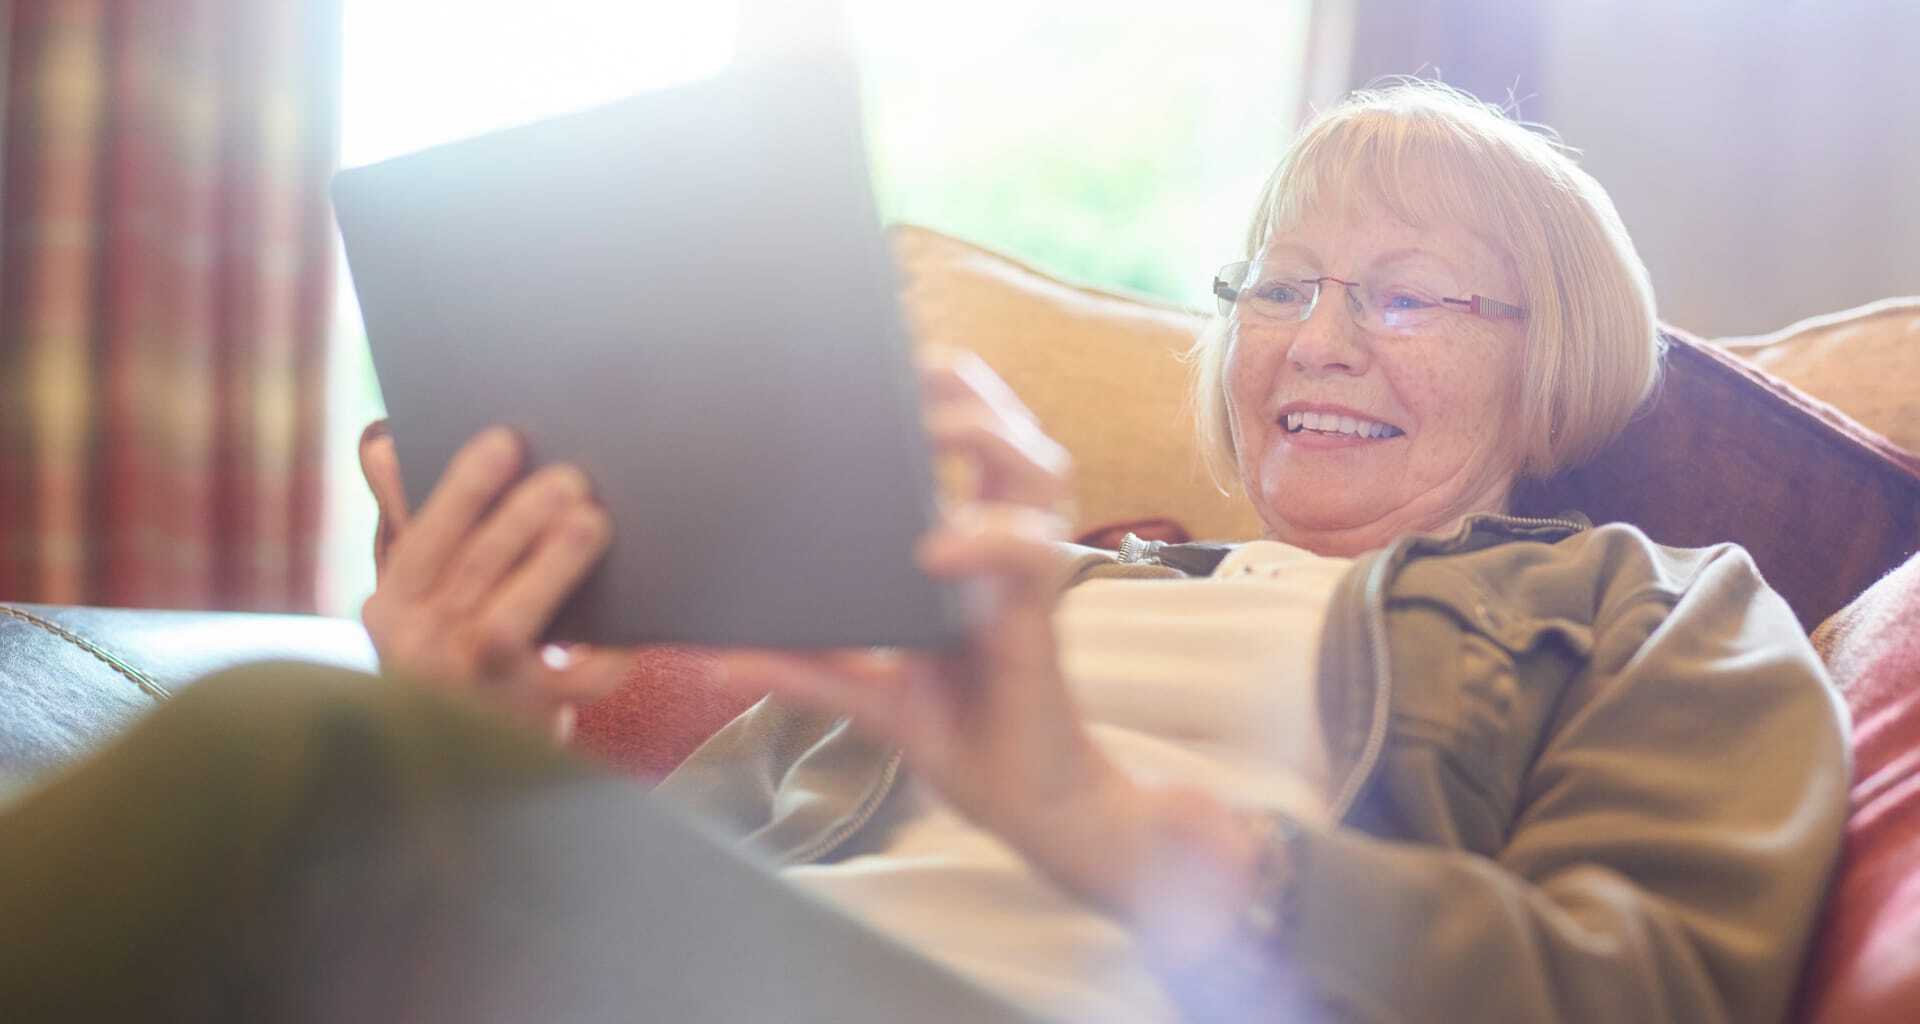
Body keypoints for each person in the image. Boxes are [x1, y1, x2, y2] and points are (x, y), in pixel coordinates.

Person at [2, 82, 1845, 1022]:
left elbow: (1645, 988)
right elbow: (658, 886)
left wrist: (1102, 812)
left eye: (1404, 293)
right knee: (332, 798)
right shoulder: (1047, 581)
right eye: (1277, 283)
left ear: (1560, 363)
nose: (1318, 333)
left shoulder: (1656, 614)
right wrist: (480, 744)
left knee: (266, 751)